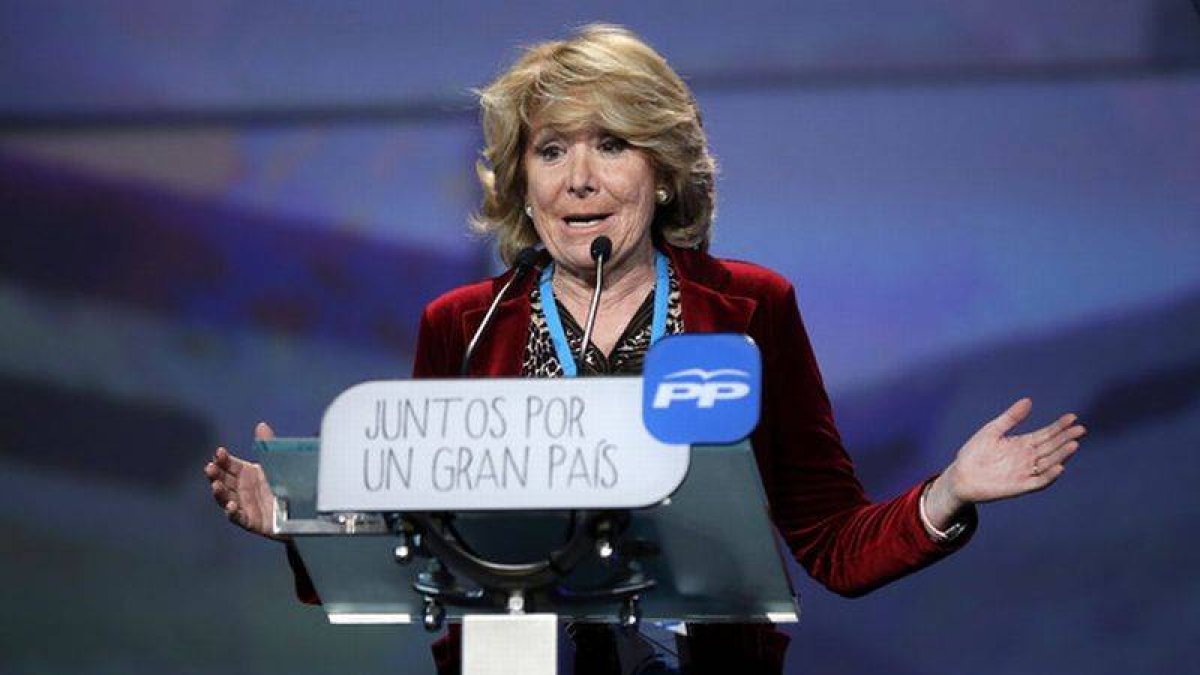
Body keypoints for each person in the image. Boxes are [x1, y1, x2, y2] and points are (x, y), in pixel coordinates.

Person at [204, 24, 1086, 675]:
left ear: (662, 173)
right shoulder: (463, 323)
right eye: (551, 150)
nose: (578, 178)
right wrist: (296, 519)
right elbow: (419, 548)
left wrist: (951, 490)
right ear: (522, 179)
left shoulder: (748, 307)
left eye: (612, 145)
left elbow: (831, 542)